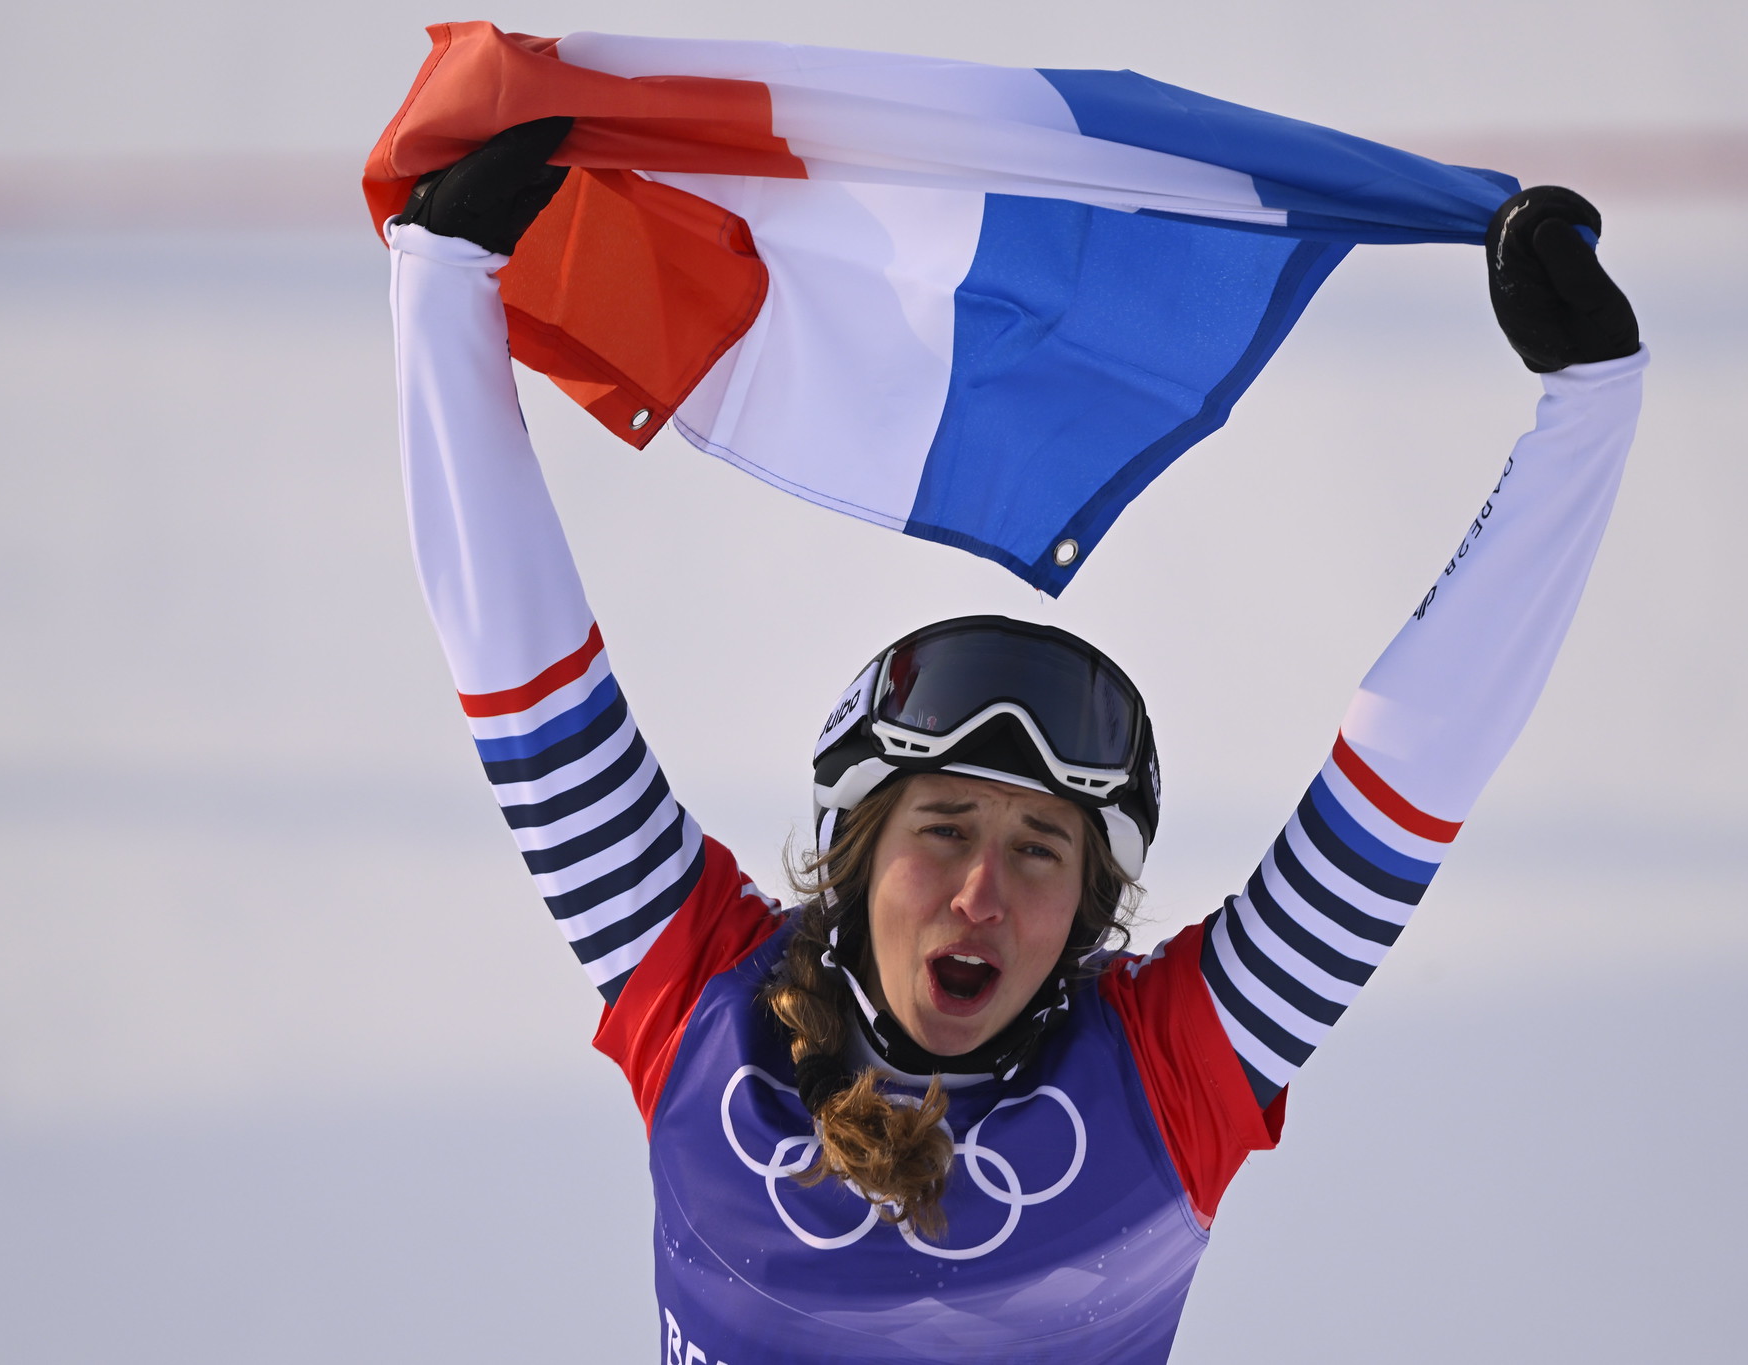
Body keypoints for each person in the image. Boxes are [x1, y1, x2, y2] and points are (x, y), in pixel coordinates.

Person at [387, 121, 1645, 1364]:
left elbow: (1395, 795)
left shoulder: (1167, 1078)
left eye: (1042, 849)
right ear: (861, 856)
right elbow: (533, 698)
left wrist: (1582, 416)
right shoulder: (711, 1005)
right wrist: (442, 297)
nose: (983, 892)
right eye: (943, 829)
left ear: (1089, 908)